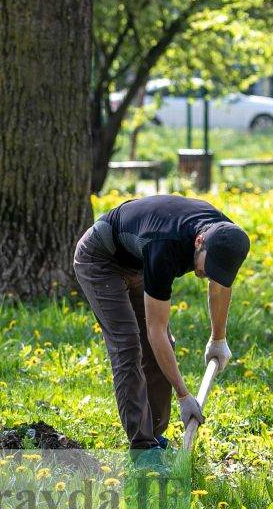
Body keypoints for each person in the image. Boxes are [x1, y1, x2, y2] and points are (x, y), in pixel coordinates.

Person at [73, 195, 250, 455]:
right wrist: (183, 395)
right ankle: (143, 448)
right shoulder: (165, 246)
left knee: (158, 348)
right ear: (199, 242)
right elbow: (155, 331)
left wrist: (218, 339)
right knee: (129, 345)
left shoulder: (225, 236)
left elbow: (219, 286)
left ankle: (154, 437)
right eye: (207, 265)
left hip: (138, 260)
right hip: (101, 258)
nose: (206, 273)